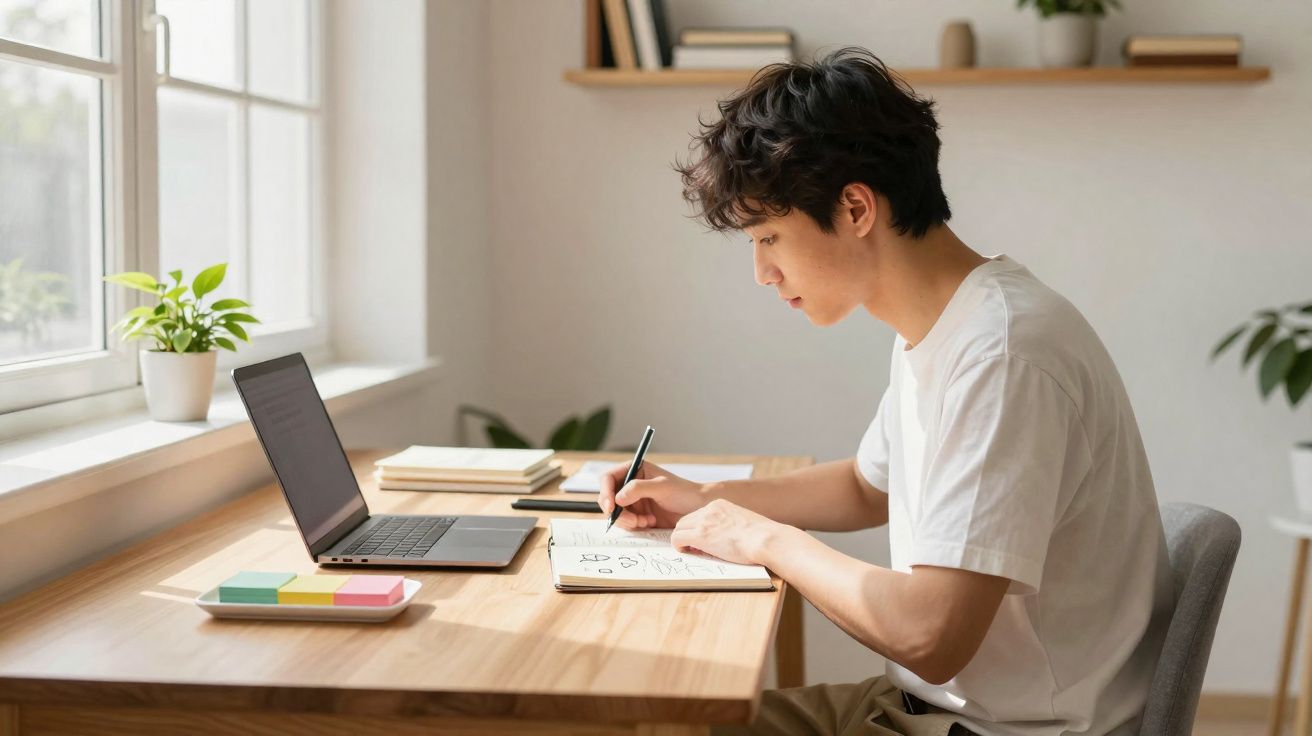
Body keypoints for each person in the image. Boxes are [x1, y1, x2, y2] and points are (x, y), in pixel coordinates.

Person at [598, 47, 1173, 736]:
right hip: (925, 709)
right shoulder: (947, 324)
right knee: (652, 715)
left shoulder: (1005, 355)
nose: (763, 273)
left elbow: (933, 636)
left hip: (1000, 730)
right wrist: (706, 500)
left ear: (855, 207)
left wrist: (763, 539)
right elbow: (870, 487)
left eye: (770, 237)